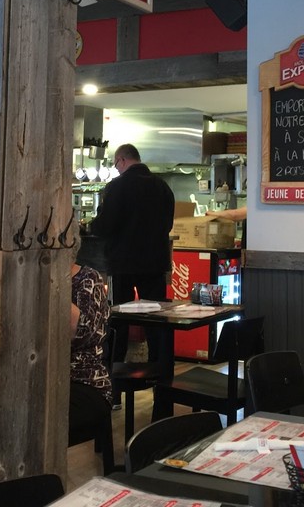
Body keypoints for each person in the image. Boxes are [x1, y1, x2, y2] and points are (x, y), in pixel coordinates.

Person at [90, 143, 175, 364]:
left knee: (120, 319)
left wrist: (91, 225)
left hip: (123, 263)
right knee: (156, 319)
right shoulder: (162, 186)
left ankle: (115, 370)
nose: (116, 169)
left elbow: (105, 225)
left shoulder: (117, 187)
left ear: (122, 160)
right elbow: (168, 225)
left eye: (116, 164)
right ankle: (160, 372)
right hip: (155, 263)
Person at [69, 258, 111, 437]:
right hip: (35, 380)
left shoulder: (88, 278)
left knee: (32, 417)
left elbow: (79, 333)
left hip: (82, 381)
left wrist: (53, 278)